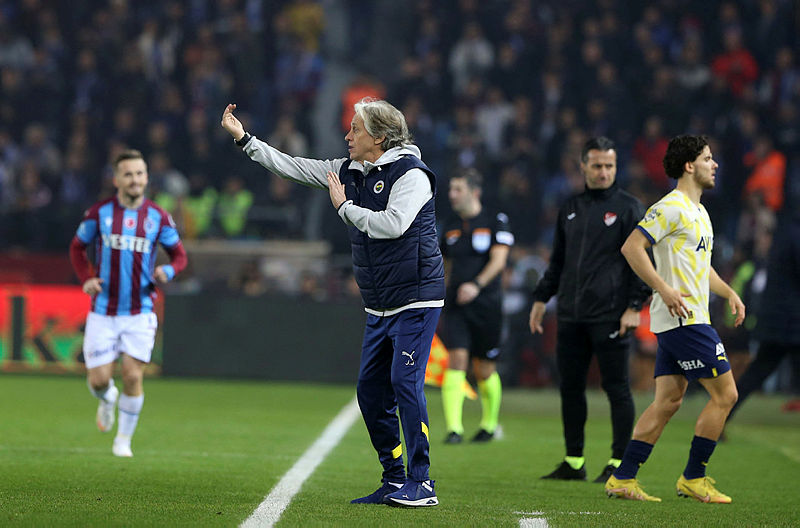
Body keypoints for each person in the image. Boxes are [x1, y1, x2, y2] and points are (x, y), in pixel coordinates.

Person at [221, 98, 444, 507]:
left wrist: (345, 208)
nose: (347, 135)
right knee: (369, 393)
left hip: (416, 296)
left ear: (378, 136)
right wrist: (245, 140)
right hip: (379, 303)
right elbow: (291, 165)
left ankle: (422, 481)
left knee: (404, 383)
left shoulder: (412, 175)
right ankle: (395, 479)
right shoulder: (347, 170)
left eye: (355, 129)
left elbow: (394, 225)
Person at [606, 135, 745, 503]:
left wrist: (729, 291)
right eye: (708, 158)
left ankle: (623, 478)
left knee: (667, 402)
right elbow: (631, 247)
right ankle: (694, 477)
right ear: (689, 165)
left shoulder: (700, 212)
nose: (714, 165)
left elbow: (702, 270)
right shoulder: (670, 207)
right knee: (726, 394)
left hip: (684, 319)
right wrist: (663, 288)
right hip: (686, 321)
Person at [530, 136, 651, 483]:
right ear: (582, 166)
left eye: (609, 166)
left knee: (617, 387)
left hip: (611, 314)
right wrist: (541, 298)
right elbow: (558, 261)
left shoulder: (630, 208)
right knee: (570, 387)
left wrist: (633, 307)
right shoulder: (570, 207)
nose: (603, 172)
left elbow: (642, 263)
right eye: (596, 165)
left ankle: (618, 463)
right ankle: (574, 461)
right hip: (570, 313)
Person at [69, 149, 187, 457]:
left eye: (139, 173)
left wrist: (168, 270)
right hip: (103, 311)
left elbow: (180, 256)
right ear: (116, 179)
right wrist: (86, 277)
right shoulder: (99, 214)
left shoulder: (158, 217)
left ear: (146, 177)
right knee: (98, 381)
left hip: (140, 311)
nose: (135, 180)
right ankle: (107, 398)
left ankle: (123, 441)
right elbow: (77, 247)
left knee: (133, 375)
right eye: (128, 174)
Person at [439, 168, 514, 444]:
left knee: (484, 369)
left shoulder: (496, 221)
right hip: (457, 304)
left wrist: (476, 286)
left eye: (458, 189)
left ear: (475, 192)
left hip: (487, 304)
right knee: (457, 359)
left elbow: (499, 260)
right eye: (451, 189)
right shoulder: (449, 225)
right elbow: (445, 264)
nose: (452, 195)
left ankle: (488, 424)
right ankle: (454, 429)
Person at [726, 209, 800, 422]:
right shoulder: (795, 235)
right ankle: (721, 415)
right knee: (757, 372)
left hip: (779, 321)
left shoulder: (787, 233)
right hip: (791, 322)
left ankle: (721, 415)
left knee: (757, 372)